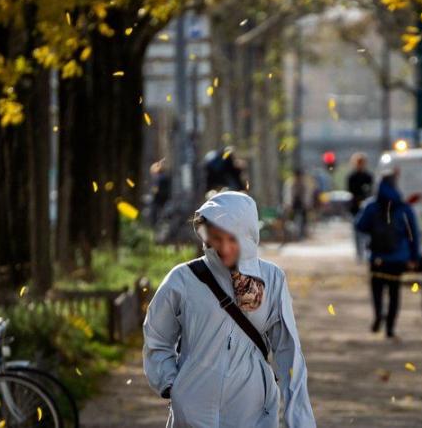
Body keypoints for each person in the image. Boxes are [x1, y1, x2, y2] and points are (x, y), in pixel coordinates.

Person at [143, 191, 316, 427]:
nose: (224, 247)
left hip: (254, 412)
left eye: (232, 238)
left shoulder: (272, 278)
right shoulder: (184, 279)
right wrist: (173, 386)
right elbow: (157, 336)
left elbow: (290, 354)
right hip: (193, 414)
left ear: (247, 236)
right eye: (216, 237)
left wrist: (299, 421)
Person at [355, 173, 420, 338]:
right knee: (394, 292)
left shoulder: (371, 206)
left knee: (377, 290)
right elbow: (414, 235)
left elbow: (360, 226)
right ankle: (390, 327)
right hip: (398, 259)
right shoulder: (404, 208)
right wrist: (414, 257)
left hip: (377, 258)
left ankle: (378, 315)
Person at [347, 153, 374, 262]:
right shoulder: (351, 177)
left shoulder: (368, 176)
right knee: (357, 232)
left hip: (367, 209)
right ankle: (359, 254)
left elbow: (371, 191)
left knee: (368, 233)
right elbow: (351, 192)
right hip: (355, 209)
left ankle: (367, 252)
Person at [283, 169, 314, 240]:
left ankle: (302, 233)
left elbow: (307, 195)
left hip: (302, 203)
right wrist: (288, 204)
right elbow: (288, 194)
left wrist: (307, 204)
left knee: (304, 218)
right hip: (293, 203)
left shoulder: (305, 184)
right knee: (291, 219)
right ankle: (292, 234)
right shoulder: (290, 183)